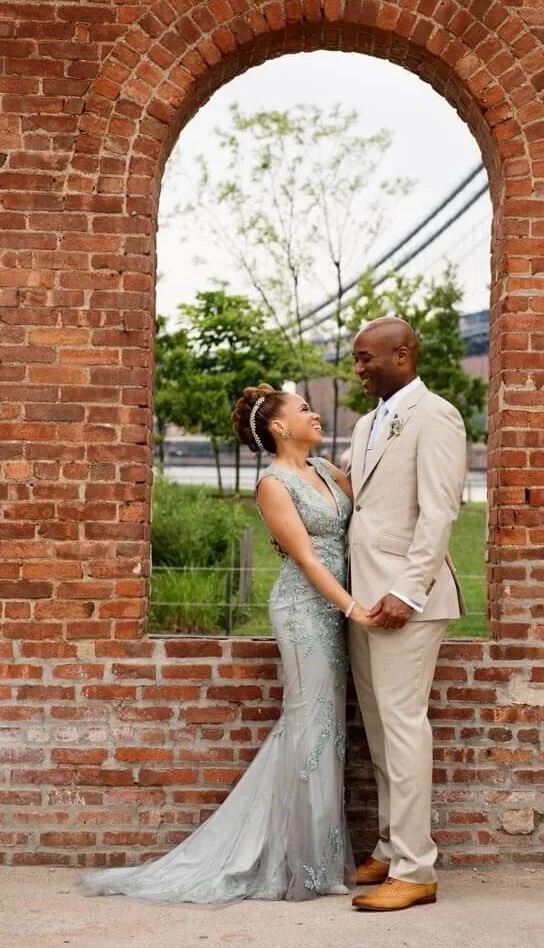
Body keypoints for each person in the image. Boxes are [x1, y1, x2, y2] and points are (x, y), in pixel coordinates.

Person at [81, 382, 372, 906]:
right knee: (311, 724)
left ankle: (319, 859)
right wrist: (354, 607)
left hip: (336, 609)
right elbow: (305, 559)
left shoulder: (328, 471)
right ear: (280, 427)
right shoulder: (273, 484)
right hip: (305, 611)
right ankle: (297, 864)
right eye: (305, 409)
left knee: (327, 728)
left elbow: (365, 519)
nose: (316, 415)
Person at [346, 317, 467, 912]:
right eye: (356, 358)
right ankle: (391, 847)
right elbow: (362, 502)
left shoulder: (436, 415)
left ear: (404, 353)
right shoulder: (368, 422)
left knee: (403, 727)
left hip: (405, 602)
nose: (359, 368)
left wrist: (409, 590)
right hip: (361, 599)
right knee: (379, 731)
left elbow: (439, 512)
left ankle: (418, 870)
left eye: (367, 358)